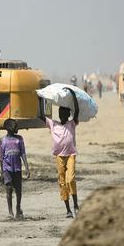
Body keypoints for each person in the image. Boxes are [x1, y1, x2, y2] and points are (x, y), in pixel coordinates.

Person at [46, 88, 80, 218]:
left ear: (68, 115)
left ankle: (75, 204)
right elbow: (41, 115)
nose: (61, 116)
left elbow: (76, 111)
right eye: (60, 114)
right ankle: (68, 210)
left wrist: (73, 96)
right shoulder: (53, 124)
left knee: (70, 179)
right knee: (62, 182)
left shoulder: (72, 123)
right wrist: (42, 98)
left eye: (64, 114)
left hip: (71, 154)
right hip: (59, 156)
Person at [0, 119, 30, 219]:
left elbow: (23, 153)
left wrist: (27, 167)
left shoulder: (19, 139)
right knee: (8, 189)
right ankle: (10, 212)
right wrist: (2, 172)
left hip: (17, 168)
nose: (17, 129)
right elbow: (1, 157)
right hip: (7, 168)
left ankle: (18, 208)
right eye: (15, 127)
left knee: (18, 190)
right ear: (10, 128)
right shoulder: (3, 140)